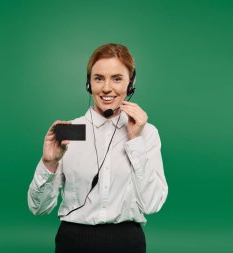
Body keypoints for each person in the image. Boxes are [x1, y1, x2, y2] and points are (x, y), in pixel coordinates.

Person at [27, 43, 168, 253]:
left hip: (127, 242)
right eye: (99, 78)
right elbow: (38, 208)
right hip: (74, 241)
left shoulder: (147, 133)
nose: (106, 88)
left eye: (117, 79)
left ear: (131, 84)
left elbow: (152, 205)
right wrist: (49, 164)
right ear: (88, 84)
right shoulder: (70, 131)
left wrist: (135, 140)